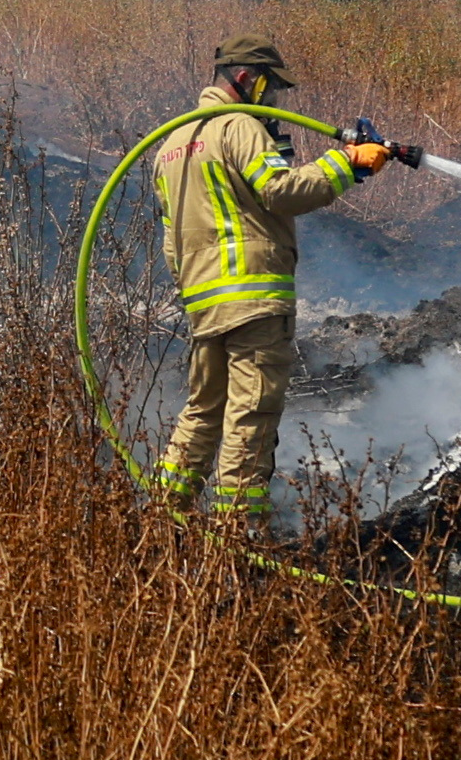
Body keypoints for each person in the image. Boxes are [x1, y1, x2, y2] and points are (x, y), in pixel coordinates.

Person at [146, 35, 398, 529]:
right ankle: (237, 535)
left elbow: (172, 240)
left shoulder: (172, 144)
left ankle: (161, 518)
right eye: (271, 88)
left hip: (204, 302)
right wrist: (346, 163)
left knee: (204, 411)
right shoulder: (238, 127)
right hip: (255, 300)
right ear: (247, 79)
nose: (275, 100)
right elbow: (280, 192)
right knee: (252, 414)